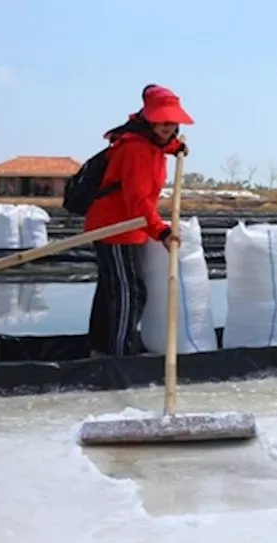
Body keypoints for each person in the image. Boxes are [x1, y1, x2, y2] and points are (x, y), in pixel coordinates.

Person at [84, 86, 193, 356]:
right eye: (162, 121)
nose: (168, 126)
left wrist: (177, 147)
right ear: (149, 119)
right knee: (128, 293)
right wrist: (162, 231)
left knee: (113, 290)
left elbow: (162, 143)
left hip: (128, 226)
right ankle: (120, 356)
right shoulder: (135, 148)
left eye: (172, 122)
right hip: (115, 228)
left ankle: (100, 350)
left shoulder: (150, 141)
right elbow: (137, 201)